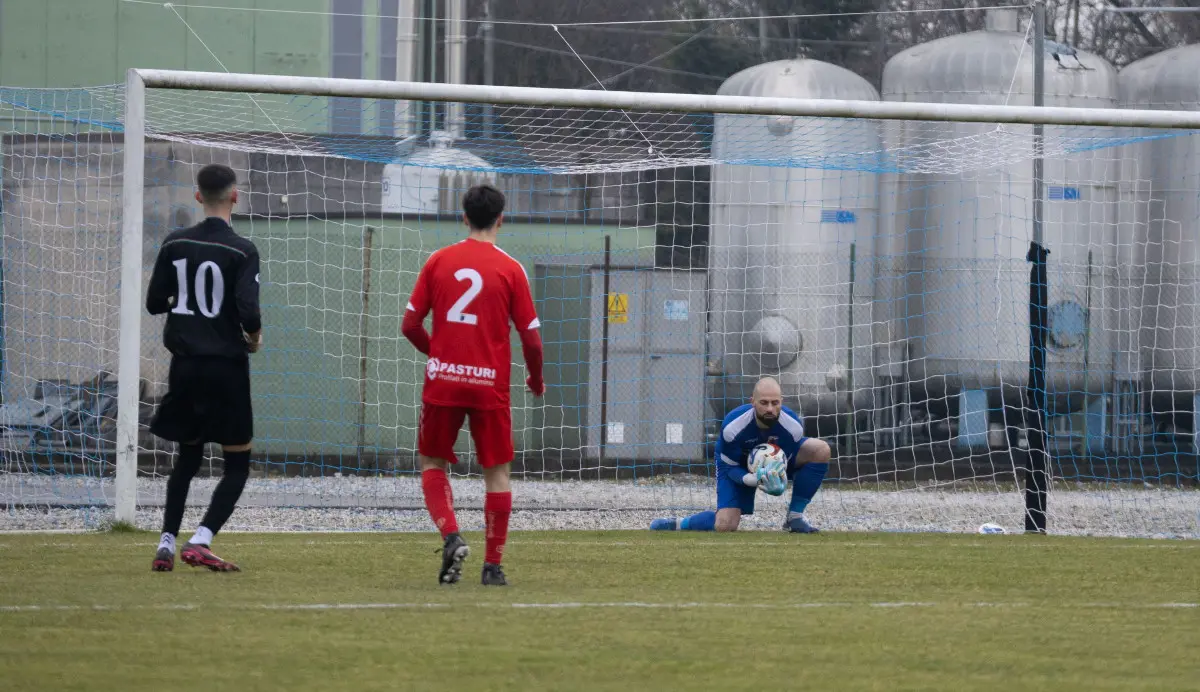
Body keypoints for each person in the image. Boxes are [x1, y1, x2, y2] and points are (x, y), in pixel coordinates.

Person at [401, 184, 544, 586]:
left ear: (463, 217)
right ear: (501, 219)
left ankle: (451, 535)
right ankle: (492, 567)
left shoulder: (438, 261)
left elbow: (409, 325)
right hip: (489, 386)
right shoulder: (511, 269)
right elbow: (532, 339)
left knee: (432, 463)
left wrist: (438, 355)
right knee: (497, 474)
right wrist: (535, 377)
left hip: (443, 382)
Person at [147, 163, 262, 573]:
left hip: (185, 367)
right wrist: (255, 336)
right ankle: (201, 539)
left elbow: (155, 302)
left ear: (198, 197)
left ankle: (165, 543)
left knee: (187, 459)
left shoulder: (174, 244)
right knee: (237, 463)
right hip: (225, 368)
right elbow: (249, 310)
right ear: (235, 196)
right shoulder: (242, 249)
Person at [650, 377, 830, 533]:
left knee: (820, 449)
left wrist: (778, 478)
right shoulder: (732, 428)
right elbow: (729, 467)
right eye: (764, 402)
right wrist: (752, 479)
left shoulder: (793, 427)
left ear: (781, 401)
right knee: (725, 524)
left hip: (765, 465)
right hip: (736, 467)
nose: (770, 409)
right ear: (752, 401)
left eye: (775, 403)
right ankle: (679, 524)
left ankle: (795, 517)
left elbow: (786, 460)